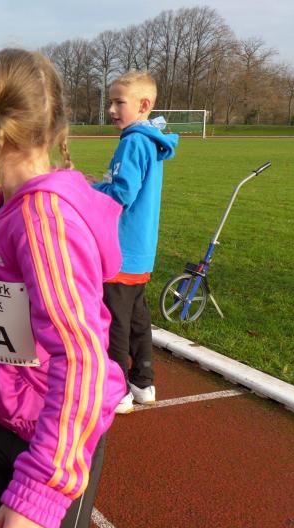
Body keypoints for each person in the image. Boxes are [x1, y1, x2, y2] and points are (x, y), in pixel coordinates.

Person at [0, 48, 126, 528]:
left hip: (50, 435)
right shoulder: (15, 204)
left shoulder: (44, 220)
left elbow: (83, 360)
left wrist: (40, 495)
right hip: (0, 416)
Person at [91, 71, 178, 414]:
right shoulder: (150, 141)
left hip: (121, 251)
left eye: (119, 102)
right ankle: (144, 383)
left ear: (143, 105)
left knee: (114, 322)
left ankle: (117, 391)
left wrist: (90, 189)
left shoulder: (133, 141)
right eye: (110, 102)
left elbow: (122, 194)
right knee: (139, 320)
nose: (111, 109)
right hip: (141, 252)